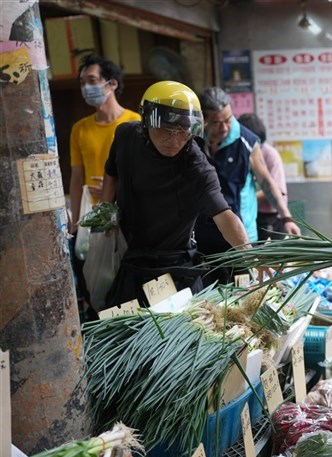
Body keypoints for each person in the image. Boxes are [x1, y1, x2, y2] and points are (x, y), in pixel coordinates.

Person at [101, 81, 251, 307]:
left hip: (175, 268)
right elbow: (111, 172)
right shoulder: (126, 136)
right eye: (165, 130)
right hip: (130, 258)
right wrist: (106, 209)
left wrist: (251, 257)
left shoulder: (197, 166)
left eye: (182, 131)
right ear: (145, 123)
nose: (173, 140)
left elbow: (225, 216)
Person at [68, 55, 140, 319]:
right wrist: (75, 221)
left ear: (111, 84)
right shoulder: (79, 129)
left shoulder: (134, 123)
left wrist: (115, 189)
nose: (86, 87)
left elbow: (143, 175)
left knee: (126, 284)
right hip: (94, 222)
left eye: (92, 81)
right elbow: (77, 178)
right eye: (82, 82)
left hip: (128, 219)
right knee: (96, 285)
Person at [196, 88, 300, 262]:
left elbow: (266, 180)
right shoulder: (193, 141)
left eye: (228, 120)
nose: (224, 127)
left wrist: (286, 217)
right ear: (203, 119)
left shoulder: (246, 141)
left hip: (240, 236)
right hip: (201, 236)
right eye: (216, 122)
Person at [237, 113, 290, 241]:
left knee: (270, 257)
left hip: (271, 215)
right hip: (252, 214)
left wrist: (250, 197)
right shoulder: (241, 152)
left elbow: (276, 189)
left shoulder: (270, 155)